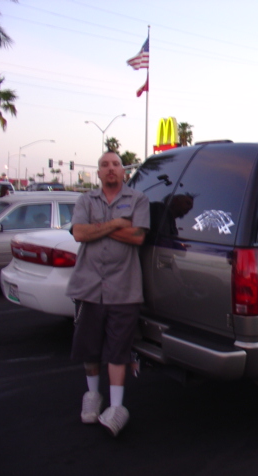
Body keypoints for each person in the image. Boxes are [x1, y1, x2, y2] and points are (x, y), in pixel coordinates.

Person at [66, 151, 150, 437]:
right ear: (99, 173)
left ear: (124, 172)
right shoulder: (85, 200)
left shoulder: (138, 199)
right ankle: (92, 396)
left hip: (125, 288)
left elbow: (138, 236)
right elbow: (79, 233)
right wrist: (116, 224)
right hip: (88, 286)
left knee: (118, 350)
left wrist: (96, 228)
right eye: (105, 165)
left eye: (116, 164)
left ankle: (116, 407)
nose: (111, 168)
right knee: (89, 347)